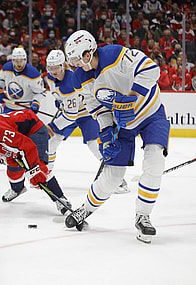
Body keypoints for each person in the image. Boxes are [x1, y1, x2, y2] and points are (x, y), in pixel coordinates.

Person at [64, 30, 170, 243]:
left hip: (150, 113)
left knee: (155, 160)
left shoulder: (115, 55)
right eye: (74, 60)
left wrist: (130, 98)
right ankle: (85, 209)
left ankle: (143, 216)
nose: (78, 64)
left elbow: (151, 70)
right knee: (112, 176)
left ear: (90, 50)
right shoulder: (79, 77)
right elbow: (93, 104)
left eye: (80, 57)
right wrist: (105, 129)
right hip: (122, 123)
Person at [45, 49, 128, 194]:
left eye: (56, 67)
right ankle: (46, 175)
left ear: (63, 65)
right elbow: (61, 98)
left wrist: (52, 126)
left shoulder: (70, 81)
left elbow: (70, 116)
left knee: (94, 145)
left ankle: (117, 179)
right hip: (69, 113)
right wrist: (60, 101)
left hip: (85, 114)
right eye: (50, 68)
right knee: (52, 142)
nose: (53, 71)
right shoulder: (51, 78)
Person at [0, 110, 71, 215]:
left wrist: (33, 170)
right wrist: (8, 155)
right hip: (17, 137)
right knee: (13, 171)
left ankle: (61, 199)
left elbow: (27, 146)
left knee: (39, 170)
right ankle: (18, 189)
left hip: (33, 129)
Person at [0, 47, 47, 170]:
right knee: (0, 132)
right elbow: (0, 80)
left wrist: (36, 103)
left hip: (25, 110)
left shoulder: (33, 73)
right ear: (12, 60)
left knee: (25, 137)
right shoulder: (6, 68)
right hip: (10, 107)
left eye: (21, 61)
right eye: (16, 61)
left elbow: (41, 92)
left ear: (25, 60)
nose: (18, 64)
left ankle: (30, 160)